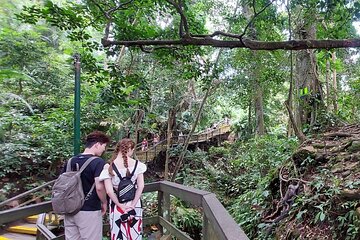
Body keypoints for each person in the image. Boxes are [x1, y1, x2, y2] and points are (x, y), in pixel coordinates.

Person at [62, 131, 110, 240]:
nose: (104, 149)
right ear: (97, 144)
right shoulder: (98, 162)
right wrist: (104, 202)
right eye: (104, 146)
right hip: (89, 209)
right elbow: (99, 187)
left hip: (70, 209)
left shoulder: (70, 161)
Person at [99, 138, 147, 240]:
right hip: (134, 205)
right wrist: (133, 204)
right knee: (135, 233)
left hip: (117, 206)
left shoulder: (109, 167)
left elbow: (109, 191)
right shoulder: (138, 165)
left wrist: (119, 204)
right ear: (130, 149)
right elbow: (141, 186)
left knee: (118, 233)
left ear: (118, 149)